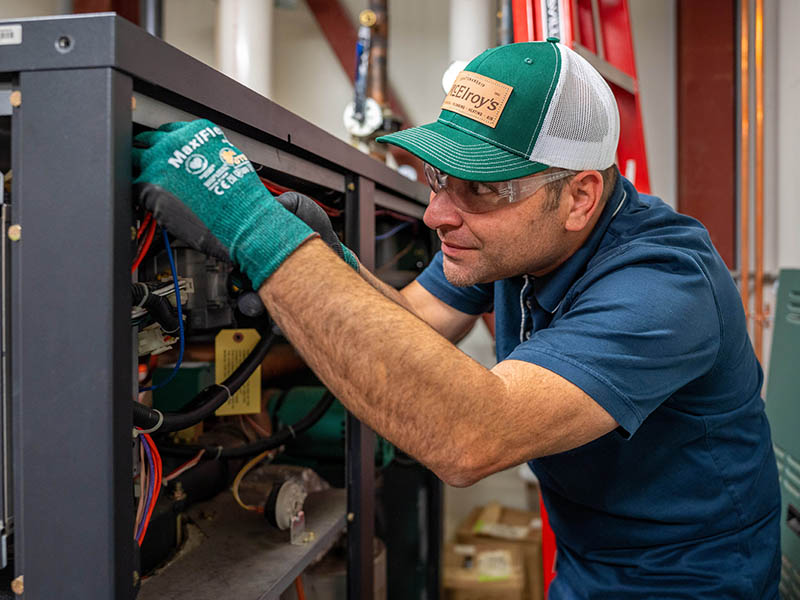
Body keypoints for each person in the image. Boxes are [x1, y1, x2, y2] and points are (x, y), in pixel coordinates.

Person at [133, 40, 780, 599]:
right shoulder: (510, 239)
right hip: (588, 568)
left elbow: (470, 436)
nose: (439, 214)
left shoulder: (664, 284)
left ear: (579, 196)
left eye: (482, 188)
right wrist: (320, 253)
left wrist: (254, 227)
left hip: (691, 582)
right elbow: (413, 318)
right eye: (441, 178)